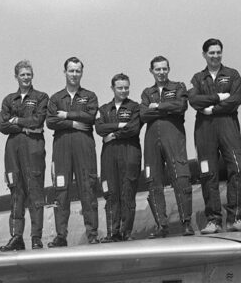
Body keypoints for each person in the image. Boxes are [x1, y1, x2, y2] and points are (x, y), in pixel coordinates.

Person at [188, 38, 241, 234]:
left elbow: (235, 100)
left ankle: (236, 219)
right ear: (204, 54)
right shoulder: (198, 78)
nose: (215, 56)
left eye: (218, 52)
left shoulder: (232, 75)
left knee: (239, 168)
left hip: (227, 125)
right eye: (211, 52)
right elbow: (194, 100)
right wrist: (217, 98)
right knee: (208, 173)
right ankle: (213, 220)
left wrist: (212, 109)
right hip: (204, 129)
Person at [46, 57, 99, 247]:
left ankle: (92, 233)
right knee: (61, 191)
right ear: (65, 72)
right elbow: (51, 121)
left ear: (82, 73)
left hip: (83, 145)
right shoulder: (56, 98)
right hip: (61, 147)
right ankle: (61, 235)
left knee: (88, 187)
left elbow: (90, 116)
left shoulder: (89, 96)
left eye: (78, 71)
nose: (74, 74)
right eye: (71, 71)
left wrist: (67, 115)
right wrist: (75, 123)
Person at [140, 56, 194, 238]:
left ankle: (186, 223)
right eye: (157, 69)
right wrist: (165, 109)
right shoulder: (147, 93)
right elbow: (143, 114)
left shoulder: (178, 87)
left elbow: (181, 106)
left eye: (164, 69)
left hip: (174, 138)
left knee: (181, 178)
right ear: (152, 71)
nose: (161, 72)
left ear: (169, 69)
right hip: (151, 141)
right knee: (153, 182)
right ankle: (161, 225)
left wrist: (158, 106)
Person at [0, 60, 49, 252]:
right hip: (13, 149)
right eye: (22, 74)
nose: (26, 77)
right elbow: (3, 126)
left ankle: (36, 237)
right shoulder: (8, 99)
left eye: (29, 74)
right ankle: (16, 236)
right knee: (16, 193)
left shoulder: (41, 97)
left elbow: (37, 120)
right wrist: (25, 126)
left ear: (32, 76)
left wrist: (17, 120)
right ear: (16, 77)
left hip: (33, 148)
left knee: (35, 192)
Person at [95, 73, 142, 242]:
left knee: (127, 191)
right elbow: (99, 129)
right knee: (111, 192)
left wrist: (112, 133)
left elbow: (133, 128)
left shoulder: (135, 107)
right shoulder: (104, 109)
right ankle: (112, 233)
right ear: (112, 88)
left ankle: (126, 232)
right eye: (120, 88)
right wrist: (119, 125)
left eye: (126, 87)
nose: (123, 90)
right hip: (109, 154)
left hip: (130, 152)